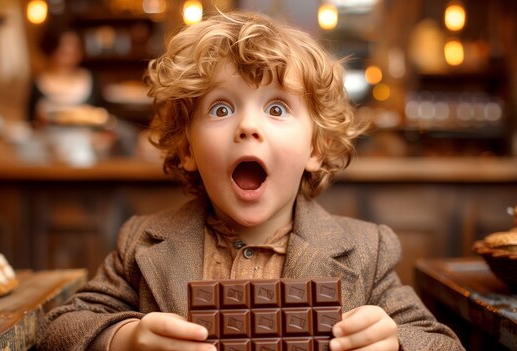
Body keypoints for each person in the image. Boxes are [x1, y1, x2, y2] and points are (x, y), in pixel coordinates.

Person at [37, 11, 465, 351]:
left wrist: (393, 342)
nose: (248, 127)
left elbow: (441, 343)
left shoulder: (365, 253)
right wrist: (124, 340)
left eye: (277, 109)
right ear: (186, 149)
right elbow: (60, 329)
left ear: (314, 148)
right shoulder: (141, 243)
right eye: (221, 109)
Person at [27, 25, 104, 128]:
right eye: (64, 46)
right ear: (52, 48)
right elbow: (29, 121)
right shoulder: (39, 82)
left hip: (85, 140)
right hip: (47, 140)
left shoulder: (90, 79)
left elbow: (101, 115)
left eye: (75, 46)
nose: (70, 51)